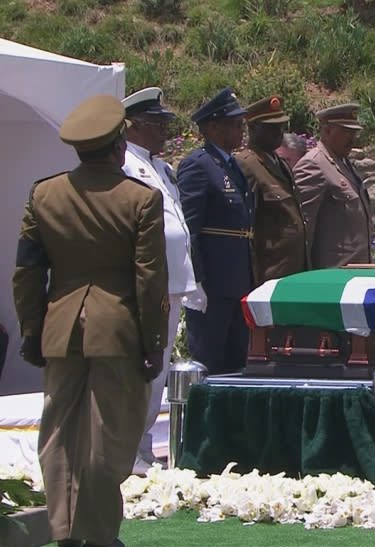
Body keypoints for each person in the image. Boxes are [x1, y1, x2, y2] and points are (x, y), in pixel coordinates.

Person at [12, 95, 168, 547]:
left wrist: (31, 329)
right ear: (120, 143)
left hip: (60, 329)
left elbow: (27, 271)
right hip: (117, 331)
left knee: (58, 436)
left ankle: (64, 532)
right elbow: (149, 279)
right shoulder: (140, 199)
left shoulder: (45, 193)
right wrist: (152, 341)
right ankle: (99, 535)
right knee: (109, 438)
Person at [122, 86, 198, 474]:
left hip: (169, 283)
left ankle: (143, 445)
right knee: (141, 364)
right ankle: (128, 448)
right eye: (155, 124)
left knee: (159, 366)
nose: (163, 132)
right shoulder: (123, 165)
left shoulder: (161, 167)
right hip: (145, 282)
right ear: (132, 127)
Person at [178, 88, 253, 375]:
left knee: (237, 365)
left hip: (237, 282)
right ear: (212, 127)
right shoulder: (199, 165)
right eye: (235, 124)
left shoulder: (231, 166)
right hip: (213, 285)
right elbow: (190, 228)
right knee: (210, 362)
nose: (241, 130)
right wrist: (197, 280)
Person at [235, 96, 307, 283]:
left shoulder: (281, 164)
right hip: (270, 272)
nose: (278, 132)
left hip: (293, 268)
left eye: (281, 126)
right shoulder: (247, 165)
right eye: (271, 127)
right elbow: (246, 228)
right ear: (252, 128)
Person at [293, 103, 371, 269]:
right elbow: (302, 229)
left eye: (354, 132)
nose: (352, 138)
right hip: (332, 274)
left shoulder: (345, 164)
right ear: (327, 131)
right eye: (346, 132)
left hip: (356, 272)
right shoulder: (313, 164)